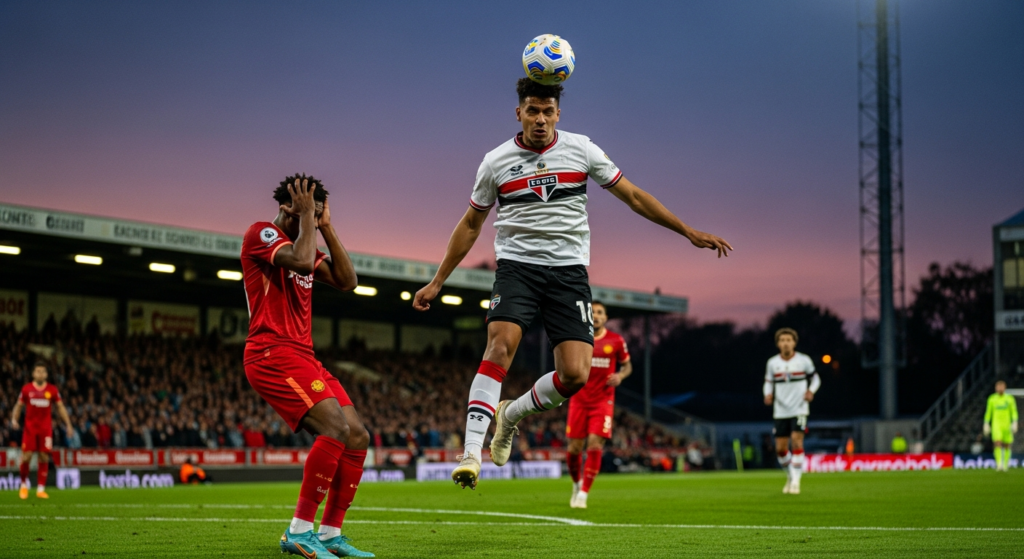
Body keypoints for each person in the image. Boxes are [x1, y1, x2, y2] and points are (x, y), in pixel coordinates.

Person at [413, 78, 732, 489]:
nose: (541, 119)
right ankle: (472, 451)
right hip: (517, 269)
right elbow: (472, 223)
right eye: (532, 110)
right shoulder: (495, 161)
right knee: (500, 345)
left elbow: (633, 196)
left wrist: (687, 230)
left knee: (576, 375)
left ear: (558, 114)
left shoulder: (582, 149)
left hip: (568, 274)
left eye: (548, 111)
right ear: (519, 113)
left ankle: (510, 415)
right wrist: (438, 280)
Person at [241, 175, 373, 558]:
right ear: (288, 207)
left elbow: (349, 280)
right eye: (310, 211)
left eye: (318, 213)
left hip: (304, 355)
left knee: (357, 436)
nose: (314, 219)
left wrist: (327, 228)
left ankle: (331, 534)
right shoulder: (260, 234)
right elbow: (298, 258)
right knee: (334, 427)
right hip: (270, 353)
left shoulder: (309, 242)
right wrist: (305, 221)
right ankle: (298, 530)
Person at [565, 301, 630, 509]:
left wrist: (620, 375)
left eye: (600, 312)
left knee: (595, 444)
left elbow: (627, 365)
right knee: (574, 448)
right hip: (579, 399)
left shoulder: (616, 340)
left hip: (603, 400)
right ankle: (576, 484)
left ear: (606, 317)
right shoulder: (579, 337)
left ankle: (584, 494)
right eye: (593, 312)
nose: (597, 315)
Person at [763, 328, 819, 495]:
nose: (786, 343)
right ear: (778, 344)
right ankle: (790, 475)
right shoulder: (772, 363)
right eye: (783, 340)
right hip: (780, 410)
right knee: (780, 448)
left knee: (796, 441)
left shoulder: (804, 360)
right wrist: (767, 394)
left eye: (789, 340)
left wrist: (811, 391)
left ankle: (796, 481)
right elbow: (767, 382)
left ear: (794, 342)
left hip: (800, 408)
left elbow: (815, 378)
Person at [10, 361, 74, 499]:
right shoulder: (26, 389)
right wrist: (14, 419)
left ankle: (40, 489)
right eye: (38, 371)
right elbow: (19, 406)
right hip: (30, 429)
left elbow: (61, 407)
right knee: (26, 457)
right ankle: (23, 485)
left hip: (45, 430)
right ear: (33, 373)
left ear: (46, 374)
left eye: (43, 371)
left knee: (44, 456)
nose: (40, 374)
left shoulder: (52, 390)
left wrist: (68, 424)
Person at [983, 380, 1018, 472]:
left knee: (1007, 445)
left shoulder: (1010, 399)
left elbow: (1013, 411)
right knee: (997, 443)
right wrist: (986, 423)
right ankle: (999, 464)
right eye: (998, 386)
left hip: (1007, 425)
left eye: (1001, 386)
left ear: (1005, 387)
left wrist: (1015, 422)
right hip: (996, 425)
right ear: (995, 388)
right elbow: (988, 412)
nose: (1000, 388)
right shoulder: (992, 399)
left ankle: (1005, 465)